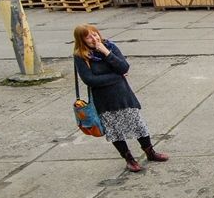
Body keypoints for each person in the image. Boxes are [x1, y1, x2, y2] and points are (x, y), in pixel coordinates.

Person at [72, 24, 169, 173]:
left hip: (123, 95)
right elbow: (90, 80)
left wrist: (105, 52)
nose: (94, 38)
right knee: (115, 131)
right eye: (88, 36)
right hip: (104, 101)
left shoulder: (109, 47)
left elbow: (124, 67)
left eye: (95, 34)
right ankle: (129, 159)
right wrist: (116, 76)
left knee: (138, 125)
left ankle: (150, 152)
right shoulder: (81, 56)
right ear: (81, 40)